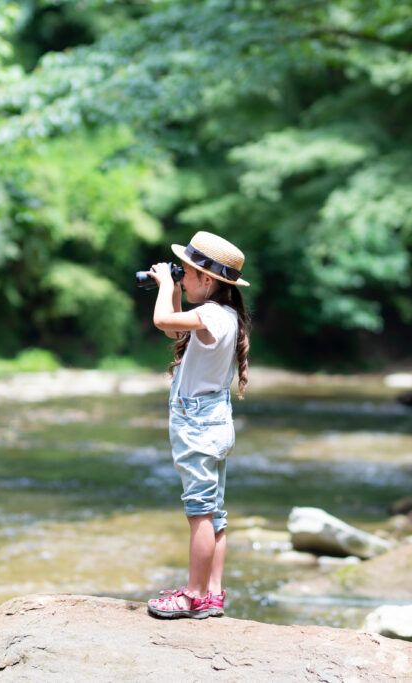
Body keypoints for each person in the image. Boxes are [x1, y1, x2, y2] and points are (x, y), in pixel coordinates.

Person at [145, 230, 251, 619]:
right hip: (215, 420)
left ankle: (192, 596)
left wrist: (164, 284)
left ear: (207, 279)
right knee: (215, 512)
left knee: (200, 511)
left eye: (186, 273)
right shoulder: (224, 315)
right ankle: (211, 594)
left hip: (198, 424)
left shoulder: (210, 315)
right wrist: (174, 288)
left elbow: (161, 320)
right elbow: (175, 327)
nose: (182, 278)